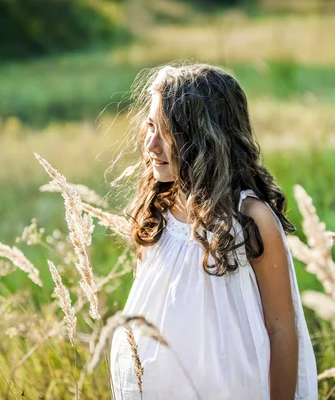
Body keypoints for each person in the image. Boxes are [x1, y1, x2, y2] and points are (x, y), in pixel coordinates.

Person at [109, 62, 317, 400]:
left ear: (204, 139)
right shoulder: (158, 209)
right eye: (150, 126)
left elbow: (281, 330)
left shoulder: (250, 220)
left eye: (167, 132)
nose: (151, 145)